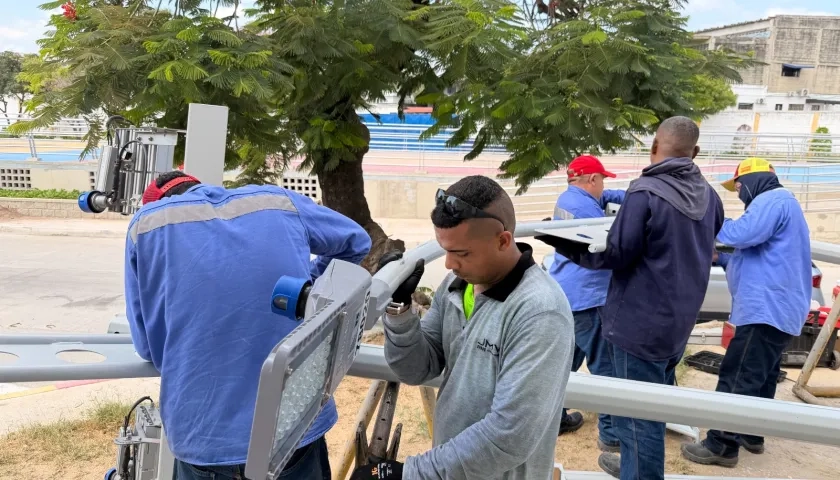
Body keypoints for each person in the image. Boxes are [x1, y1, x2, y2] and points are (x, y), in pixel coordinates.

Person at [124, 171, 371, 480]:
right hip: (292, 429)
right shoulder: (276, 201)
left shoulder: (146, 225)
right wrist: (307, 292)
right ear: (202, 186)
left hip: (203, 438)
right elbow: (356, 242)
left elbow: (148, 346)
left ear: (156, 203)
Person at [536, 116, 725, 480]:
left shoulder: (646, 191)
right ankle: (631, 465)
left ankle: (637, 470)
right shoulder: (710, 195)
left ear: (654, 147)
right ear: (695, 152)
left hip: (636, 328)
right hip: (678, 325)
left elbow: (615, 254)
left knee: (638, 420)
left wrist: (561, 243)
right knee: (651, 407)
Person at [352, 175, 575, 480]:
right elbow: (417, 369)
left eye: (461, 253)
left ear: (503, 240)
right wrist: (399, 309)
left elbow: (509, 436)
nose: (447, 264)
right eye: (446, 250)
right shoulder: (458, 286)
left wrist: (409, 474)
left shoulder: (540, 312)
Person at [681, 157, 811, 467]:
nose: (737, 189)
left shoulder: (773, 199)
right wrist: (718, 256)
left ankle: (722, 445)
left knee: (738, 375)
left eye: (739, 183)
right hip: (778, 308)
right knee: (762, 376)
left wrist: (708, 225)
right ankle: (752, 433)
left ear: (754, 180)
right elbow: (744, 253)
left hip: (765, 308)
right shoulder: (780, 206)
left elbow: (737, 236)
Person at [550, 155, 624, 447]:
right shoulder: (586, 210)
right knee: (604, 364)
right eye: (602, 179)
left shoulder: (571, 198)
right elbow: (614, 246)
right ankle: (611, 434)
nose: (604, 185)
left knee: (566, 362)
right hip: (587, 297)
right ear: (591, 179)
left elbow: (611, 195)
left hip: (569, 292)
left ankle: (555, 418)